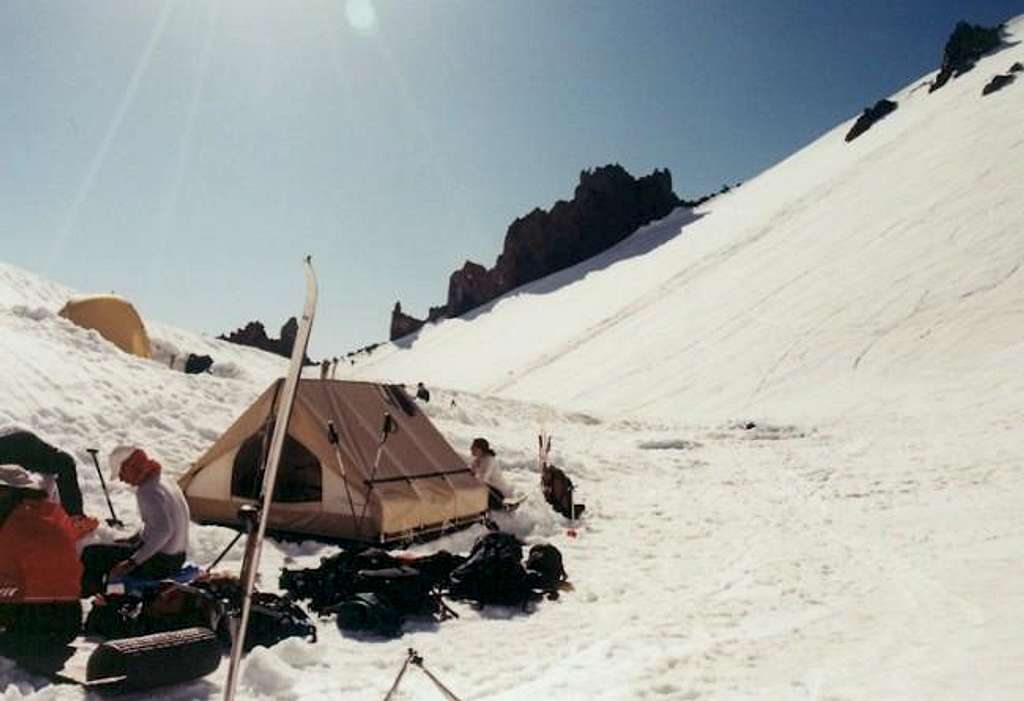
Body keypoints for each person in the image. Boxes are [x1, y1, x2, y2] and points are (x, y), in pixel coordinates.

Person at [80, 446, 190, 596]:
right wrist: (136, 537)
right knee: (111, 551)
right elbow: (157, 524)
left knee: (92, 554)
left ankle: (101, 599)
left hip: (161, 561)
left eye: (121, 473)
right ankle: (106, 594)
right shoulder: (164, 480)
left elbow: (164, 531)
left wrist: (132, 562)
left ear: (130, 467)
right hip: (178, 556)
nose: (121, 479)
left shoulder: (148, 491)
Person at [0, 428, 97, 534]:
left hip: (15, 443)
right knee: (65, 463)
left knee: (62, 463)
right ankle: (76, 520)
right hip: (18, 443)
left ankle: (73, 518)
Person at [469, 438, 514, 510]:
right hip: (489, 490)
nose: (471, 449)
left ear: (480, 449)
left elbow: (484, 479)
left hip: (498, 494)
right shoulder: (477, 460)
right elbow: (470, 473)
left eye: (473, 447)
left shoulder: (490, 460)